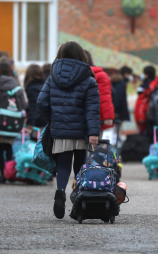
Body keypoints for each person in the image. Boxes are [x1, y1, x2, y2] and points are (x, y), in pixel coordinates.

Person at [37, 41, 100, 219]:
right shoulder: (89, 79)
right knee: (80, 166)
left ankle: (59, 192)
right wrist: (93, 133)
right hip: (81, 131)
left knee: (63, 165)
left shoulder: (52, 77)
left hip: (60, 129)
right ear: (82, 56)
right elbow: (92, 109)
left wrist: (53, 117)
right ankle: (78, 201)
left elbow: (41, 102)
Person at [0, 63, 26, 184]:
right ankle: (9, 173)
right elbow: (22, 105)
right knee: (8, 148)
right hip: (12, 122)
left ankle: (2, 174)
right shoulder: (16, 86)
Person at [84, 50, 114, 134]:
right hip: (96, 118)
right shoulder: (101, 75)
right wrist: (108, 117)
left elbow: (104, 97)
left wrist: (108, 117)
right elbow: (105, 97)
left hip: (82, 118)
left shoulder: (75, 74)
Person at [134, 66, 158, 135]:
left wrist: (141, 117)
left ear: (146, 74)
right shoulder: (149, 85)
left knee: (145, 134)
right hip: (146, 114)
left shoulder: (148, 87)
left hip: (145, 116)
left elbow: (144, 103)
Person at [24, 64, 47, 133]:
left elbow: (35, 107)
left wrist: (30, 123)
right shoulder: (45, 85)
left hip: (38, 123)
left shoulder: (32, 88)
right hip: (46, 120)